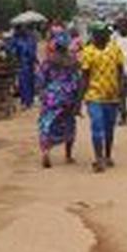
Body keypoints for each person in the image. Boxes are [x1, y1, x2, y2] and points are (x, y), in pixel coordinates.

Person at [79, 22, 125, 173]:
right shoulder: (87, 52)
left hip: (112, 96)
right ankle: (99, 159)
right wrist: (79, 99)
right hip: (94, 96)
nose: (104, 35)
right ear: (94, 34)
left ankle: (108, 155)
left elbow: (120, 72)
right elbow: (84, 77)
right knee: (97, 127)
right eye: (100, 33)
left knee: (109, 129)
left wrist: (121, 94)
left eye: (105, 33)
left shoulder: (115, 49)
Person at [36, 31, 83, 169]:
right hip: (68, 96)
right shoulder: (73, 61)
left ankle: (46, 151)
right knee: (69, 125)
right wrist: (78, 99)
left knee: (47, 123)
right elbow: (78, 80)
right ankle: (68, 155)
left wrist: (42, 93)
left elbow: (40, 79)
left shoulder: (49, 61)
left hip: (51, 96)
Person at [7, 25, 39, 109]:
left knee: (28, 83)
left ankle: (28, 101)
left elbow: (32, 52)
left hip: (26, 64)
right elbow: (10, 49)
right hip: (24, 64)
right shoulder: (19, 40)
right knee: (25, 83)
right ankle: (26, 101)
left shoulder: (28, 40)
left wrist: (35, 61)